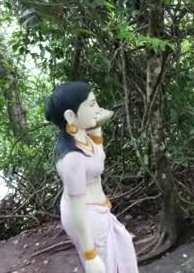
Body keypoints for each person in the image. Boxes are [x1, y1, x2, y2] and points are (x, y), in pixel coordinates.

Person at [45, 82, 138, 273]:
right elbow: (77, 205)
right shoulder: (72, 159)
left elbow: (99, 157)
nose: (97, 108)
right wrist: (90, 255)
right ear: (71, 116)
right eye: (91, 104)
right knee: (105, 265)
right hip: (85, 215)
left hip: (99, 208)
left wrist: (97, 124)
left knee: (124, 248)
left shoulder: (85, 136)